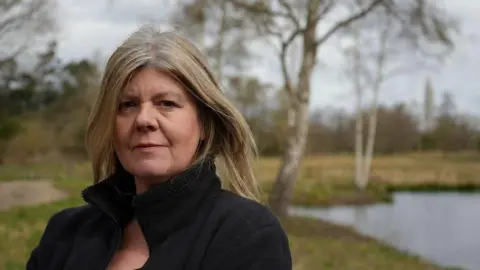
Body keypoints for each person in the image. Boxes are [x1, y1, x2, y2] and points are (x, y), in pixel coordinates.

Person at [26, 25, 292, 270]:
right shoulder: (65, 234)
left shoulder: (246, 235)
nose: (143, 120)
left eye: (166, 103)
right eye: (127, 105)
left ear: (204, 124)